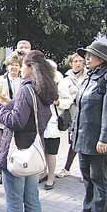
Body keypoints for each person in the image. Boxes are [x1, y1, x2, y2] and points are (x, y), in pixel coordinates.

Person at [0, 50, 57, 212]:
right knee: (32, 200)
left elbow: (16, 121)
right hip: (35, 151)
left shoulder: (27, 89)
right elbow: (27, 114)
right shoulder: (45, 89)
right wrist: (7, 103)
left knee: (15, 202)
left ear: (29, 67)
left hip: (18, 151)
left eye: (23, 65)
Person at [70, 41, 107, 212]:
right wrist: (73, 131)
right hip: (83, 138)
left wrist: (104, 139)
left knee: (98, 178)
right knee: (86, 177)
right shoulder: (89, 77)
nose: (87, 58)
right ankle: (88, 210)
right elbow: (80, 108)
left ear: (101, 59)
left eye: (90, 55)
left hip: (98, 140)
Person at [56, 53, 87, 179]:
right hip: (73, 114)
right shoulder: (65, 80)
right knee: (74, 142)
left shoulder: (88, 77)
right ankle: (67, 168)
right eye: (75, 61)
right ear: (71, 63)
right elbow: (63, 97)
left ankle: (84, 172)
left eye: (80, 61)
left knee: (84, 142)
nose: (78, 63)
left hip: (86, 114)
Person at [0, 52, 22, 184]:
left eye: (16, 65)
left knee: (15, 146)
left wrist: (8, 100)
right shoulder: (0, 80)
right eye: (11, 65)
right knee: (2, 146)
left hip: (17, 119)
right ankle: (1, 171)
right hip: (3, 119)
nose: (14, 68)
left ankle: (15, 169)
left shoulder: (23, 82)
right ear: (7, 66)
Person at [41, 60, 65, 190]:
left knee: (51, 152)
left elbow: (67, 100)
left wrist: (58, 102)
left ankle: (51, 177)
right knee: (42, 149)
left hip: (52, 123)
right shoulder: (39, 81)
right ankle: (43, 172)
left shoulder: (60, 82)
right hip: (40, 122)